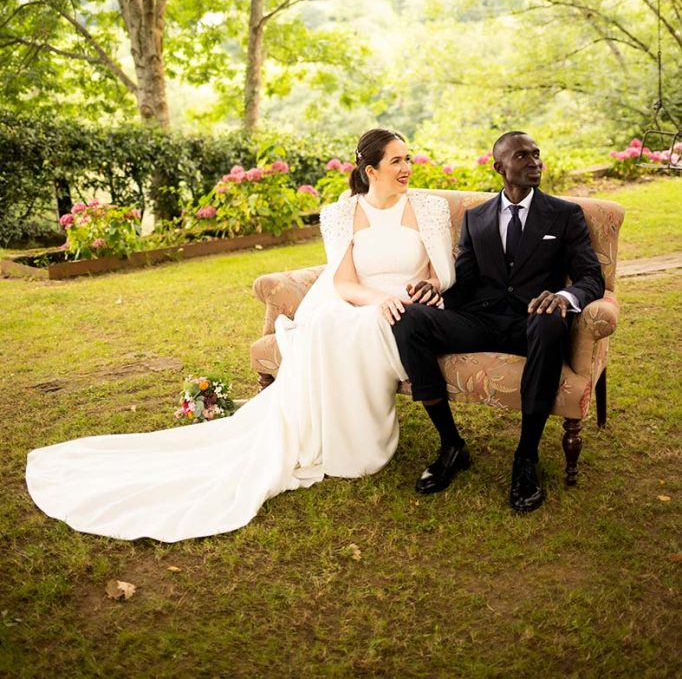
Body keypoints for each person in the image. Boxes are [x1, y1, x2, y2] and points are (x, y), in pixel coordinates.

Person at [25, 129, 454, 542]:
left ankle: (359, 440)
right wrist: (377, 300)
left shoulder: (427, 208)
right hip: (363, 301)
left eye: (407, 159)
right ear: (371, 170)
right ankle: (339, 440)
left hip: (412, 307)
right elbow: (342, 283)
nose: (406, 168)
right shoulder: (342, 213)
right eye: (396, 161)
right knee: (329, 322)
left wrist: (421, 292)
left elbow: (443, 275)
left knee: (352, 327)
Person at [392, 131, 605, 513]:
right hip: (481, 320)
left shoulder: (564, 214)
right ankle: (451, 444)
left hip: (532, 326)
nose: (535, 162)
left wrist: (563, 297)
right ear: (499, 167)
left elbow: (591, 277)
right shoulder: (476, 218)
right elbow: (464, 282)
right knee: (408, 318)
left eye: (536, 155)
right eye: (522, 156)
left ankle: (526, 457)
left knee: (549, 321)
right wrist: (435, 293)